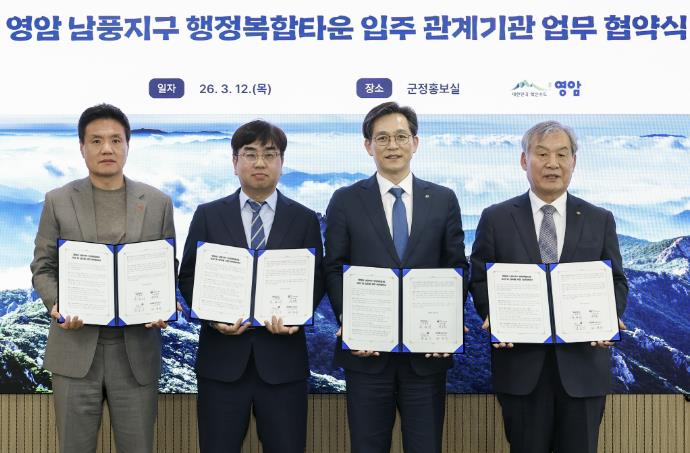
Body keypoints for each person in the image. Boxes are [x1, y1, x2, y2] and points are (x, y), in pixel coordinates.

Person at [469, 121, 628, 453]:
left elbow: (616, 280)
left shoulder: (600, 219)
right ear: (524, 160)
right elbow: (480, 277)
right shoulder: (496, 218)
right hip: (521, 365)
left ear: (574, 161)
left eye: (561, 154)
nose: (552, 163)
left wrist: (608, 317)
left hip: (583, 367)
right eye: (541, 154)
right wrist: (493, 315)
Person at [30, 103, 176, 453]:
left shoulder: (158, 202)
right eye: (96, 141)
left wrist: (163, 306)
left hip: (136, 351)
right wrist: (57, 303)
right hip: (75, 348)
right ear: (82, 147)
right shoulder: (58, 200)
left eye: (115, 140)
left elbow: (165, 267)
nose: (106, 148)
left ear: (128, 145)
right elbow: (42, 267)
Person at [324, 101, 468, 453]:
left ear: (415, 143)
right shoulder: (345, 200)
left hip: (426, 355)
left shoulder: (443, 199)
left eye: (401, 136)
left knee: (425, 446)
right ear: (368, 145)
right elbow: (334, 266)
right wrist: (349, 319)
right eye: (382, 138)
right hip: (367, 353)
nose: (393, 145)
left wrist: (448, 320)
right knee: (367, 446)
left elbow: (456, 267)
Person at [178, 120, 324, 453]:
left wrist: (298, 315)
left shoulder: (303, 219)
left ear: (281, 162)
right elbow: (188, 276)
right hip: (221, 364)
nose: (260, 163)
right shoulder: (208, 215)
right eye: (250, 154)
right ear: (235, 162)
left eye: (269, 154)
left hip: (284, 365)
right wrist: (212, 316)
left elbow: (316, 278)